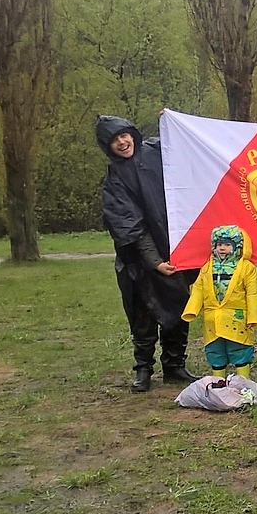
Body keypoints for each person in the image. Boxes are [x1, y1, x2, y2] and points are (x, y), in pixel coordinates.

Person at [96, 114, 198, 392]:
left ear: (132, 134)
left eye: (124, 135)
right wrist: (154, 262)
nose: (122, 142)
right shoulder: (114, 182)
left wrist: (173, 123)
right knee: (142, 314)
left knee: (178, 307)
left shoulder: (157, 153)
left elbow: (188, 151)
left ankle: (174, 365)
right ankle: (143, 369)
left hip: (173, 248)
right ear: (108, 146)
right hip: (138, 261)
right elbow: (130, 225)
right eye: (114, 140)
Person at [182, 225, 257, 379]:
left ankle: (243, 382)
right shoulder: (207, 267)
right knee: (215, 350)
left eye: (227, 245)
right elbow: (199, 288)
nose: (222, 248)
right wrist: (192, 309)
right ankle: (219, 381)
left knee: (239, 348)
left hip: (237, 318)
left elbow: (252, 294)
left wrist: (253, 317)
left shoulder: (247, 268)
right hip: (213, 319)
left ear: (237, 246)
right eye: (219, 245)